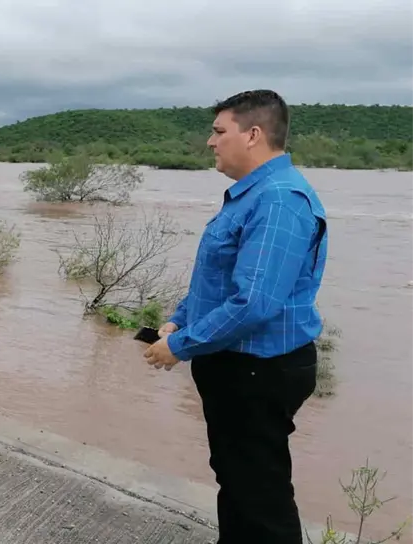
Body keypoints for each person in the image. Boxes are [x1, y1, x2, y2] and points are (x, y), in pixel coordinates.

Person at [143, 89, 327, 544]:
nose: (211, 142)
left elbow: (254, 303)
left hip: (258, 370)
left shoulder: (279, 201)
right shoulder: (254, 196)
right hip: (239, 366)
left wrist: (179, 347)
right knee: (239, 480)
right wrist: (181, 320)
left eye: (219, 131)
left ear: (253, 135)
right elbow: (219, 279)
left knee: (261, 494)